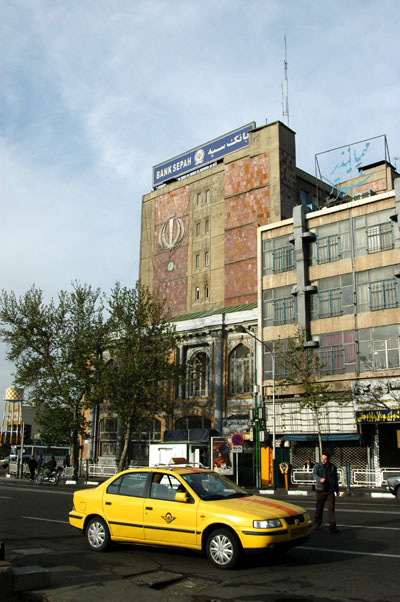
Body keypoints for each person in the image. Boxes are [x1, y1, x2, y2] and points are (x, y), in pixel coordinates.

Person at [313, 452, 340, 533]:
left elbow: (335, 479)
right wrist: (319, 479)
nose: (323, 460)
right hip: (321, 490)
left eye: (325, 459)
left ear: (328, 459)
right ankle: (317, 523)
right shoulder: (317, 466)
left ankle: (332, 527)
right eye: (322, 459)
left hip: (330, 490)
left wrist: (337, 490)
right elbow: (314, 474)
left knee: (331, 508)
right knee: (319, 507)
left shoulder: (333, 467)